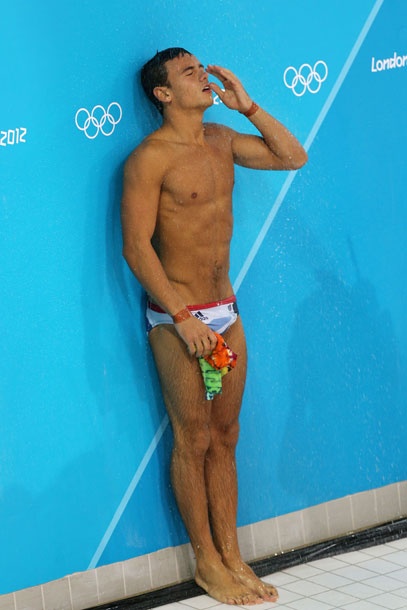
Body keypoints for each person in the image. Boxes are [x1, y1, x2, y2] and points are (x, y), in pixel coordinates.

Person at [121, 47, 307, 605]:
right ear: (163, 94)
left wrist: (248, 107)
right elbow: (136, 248)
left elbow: (292, 156)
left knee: (226, 437)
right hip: (177, 319)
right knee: (194, 438)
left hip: (226, 312)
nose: (204, 77)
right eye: (189, 73)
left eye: (202, 69)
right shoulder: (149, 159)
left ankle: (232, 554)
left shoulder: (223, 140)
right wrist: (181, 318)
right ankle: (206, 563)